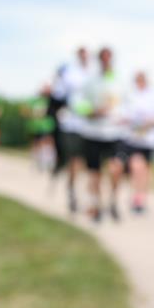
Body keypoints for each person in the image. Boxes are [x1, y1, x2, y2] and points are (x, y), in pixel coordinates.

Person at [70, 47, 125, 223]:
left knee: (115, 169)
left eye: (108, 58)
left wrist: (124, 118)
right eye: (103, 58)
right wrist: (91, 111)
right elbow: (77, 102)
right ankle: (97, 206)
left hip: (114, 133)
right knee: (95, 173)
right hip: (93, 133)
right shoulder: (90, 81)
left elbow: (129, 105)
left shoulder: (120, 81)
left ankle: (113, 201)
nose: (106, 62)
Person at [118, 71, 154, 214]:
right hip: (133, 139)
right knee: (136, 167)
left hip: (150, 140)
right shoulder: (129, 95)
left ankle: (142, 198)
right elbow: (121, 115)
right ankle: (136, 197)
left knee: (146, 171)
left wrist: (149, 122)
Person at [51, 47, 92, 213]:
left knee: (88, 163)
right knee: (75, 160)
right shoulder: (69, 73)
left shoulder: (95, 73)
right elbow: (58, 94)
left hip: (92, 126)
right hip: (72, 125)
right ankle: (73, 192)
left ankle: (86, 195)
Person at [23, 84, 57, 173]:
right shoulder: (35, 100)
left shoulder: (50, 100)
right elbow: (25, 110)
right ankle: (36, 162)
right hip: (35, 126)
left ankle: (47, 162)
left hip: (47, 125)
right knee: (36, 144)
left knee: (48, 142)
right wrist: (32, 115)